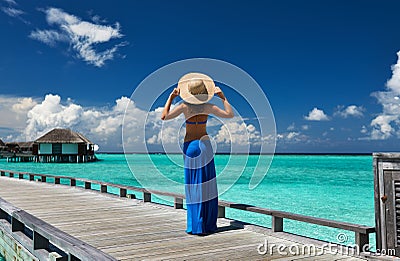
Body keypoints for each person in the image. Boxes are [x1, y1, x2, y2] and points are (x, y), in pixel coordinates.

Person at [161, 72, 234, 235]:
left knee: (193, 185)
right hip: (205, 144)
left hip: (190, 146)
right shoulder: (208, 107)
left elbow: (164, 116)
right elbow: (230, 114)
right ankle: (208, 224)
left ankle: (196, 225)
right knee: (207, 184)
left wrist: (171, 98)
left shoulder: (184, 107)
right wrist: (223, 97)